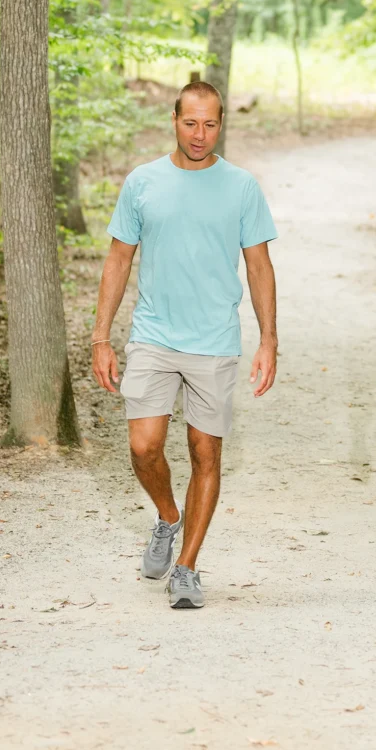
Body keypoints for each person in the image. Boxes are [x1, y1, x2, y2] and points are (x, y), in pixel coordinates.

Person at [92, 81, 277, 610]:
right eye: (191, 122)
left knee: (205, 452)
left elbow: (259, 265)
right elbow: (118, 260)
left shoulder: (241, 187)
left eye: (211, 124)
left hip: (214, 342)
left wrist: (268, 339)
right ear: (174, 119)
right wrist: (101, 337)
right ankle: (167, 518)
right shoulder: (143, 182)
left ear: (222, 124)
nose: (200, 134)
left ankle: (188, 567)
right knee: (144, 446)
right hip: (152, 335)